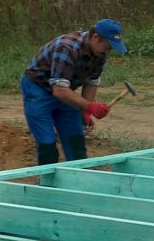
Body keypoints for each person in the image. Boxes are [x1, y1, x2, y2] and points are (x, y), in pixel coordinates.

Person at [21, 19, 125, 165]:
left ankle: (79, 176)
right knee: (47, 143)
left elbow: (91, 81)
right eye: (107, 47)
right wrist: (90, 106)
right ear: (95, 37)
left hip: (66, 89)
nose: (107, 52)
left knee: (75, 140)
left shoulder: (99, 53)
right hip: (39, 88)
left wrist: (85, 111)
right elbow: (59, 91)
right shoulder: (67, 48)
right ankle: (49, 178)